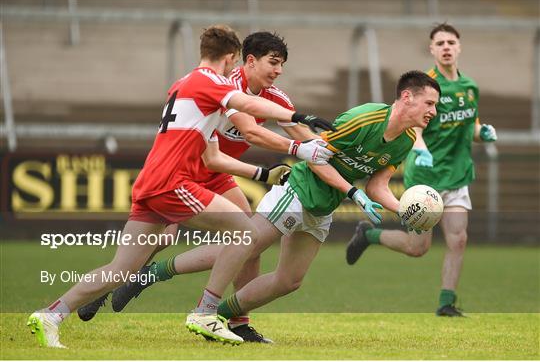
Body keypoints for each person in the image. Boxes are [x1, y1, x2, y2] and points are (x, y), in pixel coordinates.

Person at [27, 25, 335, 348]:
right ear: (234, 58)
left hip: (153, 180)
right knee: (247, 233)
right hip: (175, 180)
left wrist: (265, 170)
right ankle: (205, 312)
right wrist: (298, 127)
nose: (278, 70)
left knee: (121, 268)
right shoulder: (214, 81)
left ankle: (51, 314)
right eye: (273, 62)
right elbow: (250, 118)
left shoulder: (182, 83)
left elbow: (214, 156)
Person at [206, 70, 440, 340]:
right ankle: (164, 277)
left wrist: (402, 210)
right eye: (430, 103)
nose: (433, 111)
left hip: (323, 205)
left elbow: (377, 186)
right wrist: (353, 192)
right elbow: (316, 157)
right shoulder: (363, 119)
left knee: (289, 281)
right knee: (248, 246)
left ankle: (220, 315)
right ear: (407, 97)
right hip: (299, 191)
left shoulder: (407, 139)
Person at [345, 23, 497, 317]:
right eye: (440, 43)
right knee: (418, 248)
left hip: (457, 173)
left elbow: (472, 127)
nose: (446, 47)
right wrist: (421, 148)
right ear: (432, 49)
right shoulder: (426, 85)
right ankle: (369, 235)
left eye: (451, 42)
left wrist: (484, 132)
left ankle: (446, 303)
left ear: (459, 47)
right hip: (426, 177)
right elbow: (412, 123)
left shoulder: (470, 87)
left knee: (459, 238)